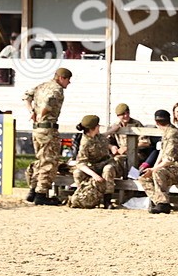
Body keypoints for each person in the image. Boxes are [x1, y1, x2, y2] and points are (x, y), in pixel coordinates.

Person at [23, 67, 72, 205]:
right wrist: (42, 114)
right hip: (48, 130)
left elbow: (26, 96)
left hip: (37, 129)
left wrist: (31, 111)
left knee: (40, 159)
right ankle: (41, 194)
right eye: (68, 80)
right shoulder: (57, 90)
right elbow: (48, 104)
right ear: (62, 78)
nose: (69, 83)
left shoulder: (42, 86)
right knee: (49, 162)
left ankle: (33, 191)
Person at [138, 109, 178, 215]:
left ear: (156, 122)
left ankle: (163, 204)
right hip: (171, 167)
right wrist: (152, 168)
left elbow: (168, 160)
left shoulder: (173, 134)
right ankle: (159, 202)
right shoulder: (167, 132)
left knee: (158, 172)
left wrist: (153, 169)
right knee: (143, 178)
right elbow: (162, 153)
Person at [68, 115, 124, 209]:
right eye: (97, 125)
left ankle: (107, 200)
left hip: (106, 163)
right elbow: (81, 163)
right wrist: (94, 175)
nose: (99, 127)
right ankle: (84, 195)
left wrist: (114, 129)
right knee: (78, 173)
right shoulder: (85, 143)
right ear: (92, 128)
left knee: (108, 169)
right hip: (93, 166)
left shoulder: (97, 137)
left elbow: (104, 136)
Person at [106, 102, 148, 167]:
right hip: (121, 153)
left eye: (127, 113)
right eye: (123, 114)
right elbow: (106, 141)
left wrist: (127, 148)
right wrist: (112, 147)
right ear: (118, 116)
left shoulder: (137, 124)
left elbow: (146, 143)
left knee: (118, 160)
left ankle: (131, 176)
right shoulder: (116, 125)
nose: (126, 115)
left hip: (137, 153)